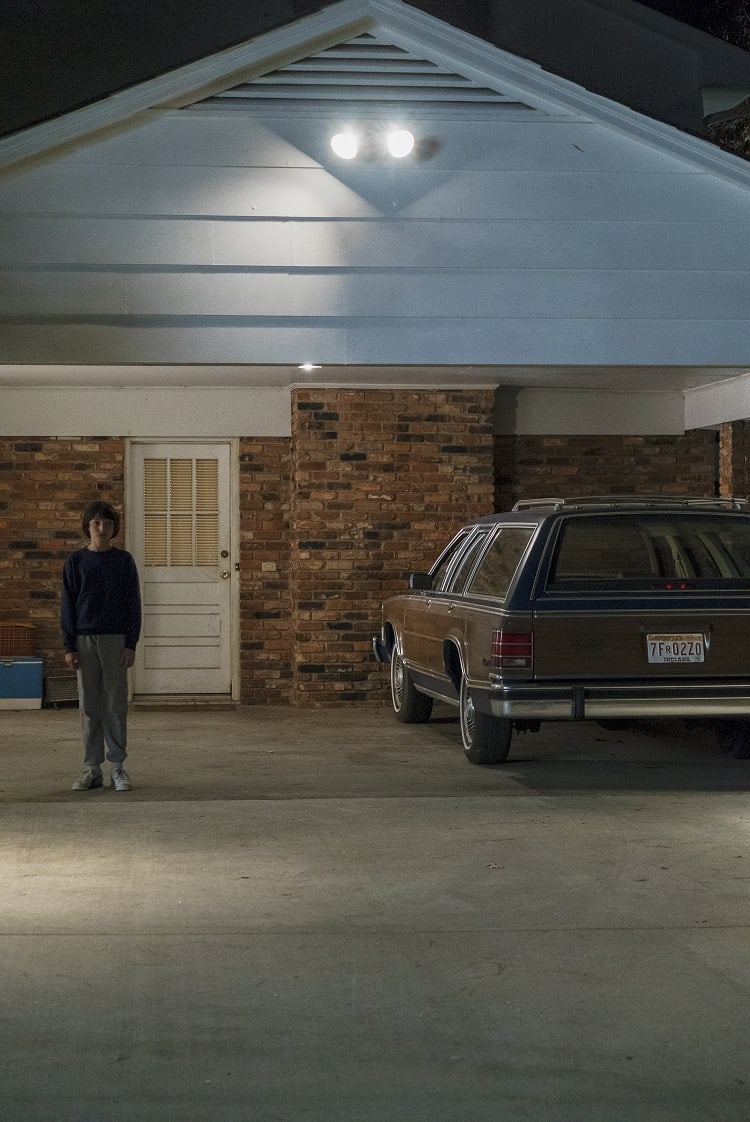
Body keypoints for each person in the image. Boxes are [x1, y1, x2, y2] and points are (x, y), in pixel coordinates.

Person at [61, 500, 142, 792]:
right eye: (96, 522)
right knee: (89, 706)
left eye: (108, 523)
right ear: (87, 526)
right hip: (83, 641)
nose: (102, 528)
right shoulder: (76, 562)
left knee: (115, 704)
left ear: (114, 528)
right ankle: (92, 767)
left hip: (115, 640)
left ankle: (118, 767)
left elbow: (133, 605)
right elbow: (67, 606)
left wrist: (130, 643)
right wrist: (69, 645)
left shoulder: (124, 562)